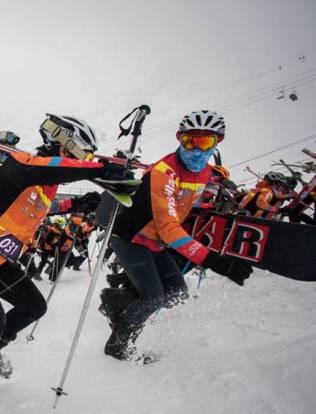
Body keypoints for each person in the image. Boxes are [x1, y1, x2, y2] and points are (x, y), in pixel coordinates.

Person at [0, 113, 130, 414]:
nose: (88, 159)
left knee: (33, 305)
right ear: (67, 147)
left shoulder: (41, 183)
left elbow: (41, 205)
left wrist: (75, 204)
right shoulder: (22, 164)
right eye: (85, 153)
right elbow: (39, 170)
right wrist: (98, 168)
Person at [101, 110, 253, 362]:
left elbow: (183, 207)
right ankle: (118, 346)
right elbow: (168, 226)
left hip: (155, 239)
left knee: (176, 292)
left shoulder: (205, 173)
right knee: (154, 297)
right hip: (131, 237)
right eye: (189, 140)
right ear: (179, 138)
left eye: (205, 142)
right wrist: (213, 261)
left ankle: (115, 301)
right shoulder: (164, 172)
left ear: (218, 142)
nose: (196, 149)